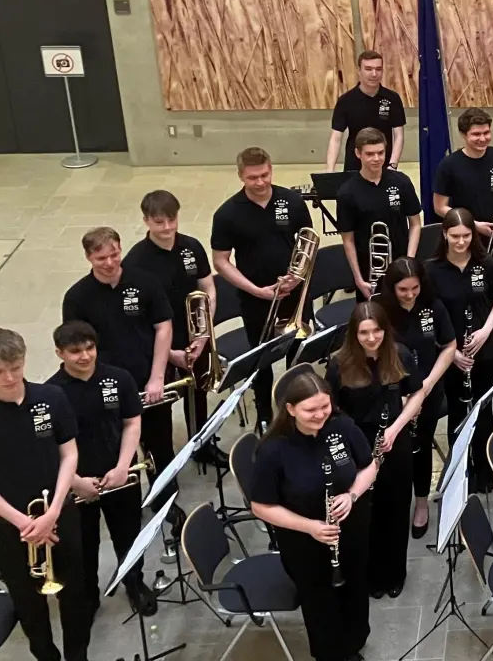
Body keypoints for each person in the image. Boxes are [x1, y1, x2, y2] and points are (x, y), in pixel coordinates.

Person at [0, 329, 96, 661]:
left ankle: (78, 659)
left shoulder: (51, 398)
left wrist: (55, 511)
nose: (9, 378)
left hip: (59, 513)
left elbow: (69, 456)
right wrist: (24, 523)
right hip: (15, 526)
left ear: (25, 360)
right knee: (28, 601)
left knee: (74, 594)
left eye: (15, 368)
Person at [247, 371, 379, 661]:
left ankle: (352, 649)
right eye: (310, 410)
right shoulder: (273, 450)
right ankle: (326, 655)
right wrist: (310, 527)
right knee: (316, 595)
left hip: (351, 527)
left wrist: (352, 495)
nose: (320, 415)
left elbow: (370, 465)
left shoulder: (342, 427)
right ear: (290, 409)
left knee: (355, 586)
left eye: (324, 406)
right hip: (303, 539)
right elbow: (261, 506)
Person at [46, 320, 157, 616]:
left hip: (119, 475)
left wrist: (123, 466)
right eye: (74, 351)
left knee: (129, 533)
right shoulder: (50, 395)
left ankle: (134, 582)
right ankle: (88, 594)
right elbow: (51, 448)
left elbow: (132, 423)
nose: (84, 356)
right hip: (78, 483)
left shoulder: (118, 378)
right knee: (84, 543)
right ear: (60, 353)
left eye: (89, 348)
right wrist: (76, 481)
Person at [62, 227, 177, 496]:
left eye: (115, 254)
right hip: (106, 387)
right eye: (102, 258)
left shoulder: (145, 282)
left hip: (147, 380)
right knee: (115, 448)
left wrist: (157, 377)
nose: (111, 263)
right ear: (88, 257)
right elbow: (76, 348)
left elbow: (163, 327)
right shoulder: (77, 297)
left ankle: (167, 499)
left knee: (161, 444)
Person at [326, 302, 428, 598]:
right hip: (356, 445)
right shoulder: (339, 364)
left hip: (392, 441)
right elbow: (332, 410)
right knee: (365, 513)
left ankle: (395, 573)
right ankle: (370, 574)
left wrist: (396, 428)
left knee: (395, 508)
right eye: (364, 333)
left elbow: (417, 391)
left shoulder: (400, 354)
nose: (372, 338)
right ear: (354, 334)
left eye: (377, 331)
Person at [210, 147, 315, 420]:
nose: (260, 182)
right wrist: (255, 290)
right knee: (262, 359)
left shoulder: (291, 200)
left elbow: (308, 243)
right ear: (241, 176)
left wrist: (297, 277)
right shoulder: (228, 213)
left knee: (299, 353)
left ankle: (300, 408)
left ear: (271, 170)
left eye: (264, 175)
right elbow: (220, 261)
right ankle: (266, 414)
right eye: (252, 177)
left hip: (294, 293)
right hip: (256, 297)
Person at [122, 189, 217, 440]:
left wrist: (204, 335)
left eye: (172, 220)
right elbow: (135, 321)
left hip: (194, 336)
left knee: (198, 394)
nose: (167, 227)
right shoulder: (135, 263)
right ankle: (164, 459)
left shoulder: (191, 246)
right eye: (159, 222)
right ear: (146, 221)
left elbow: (207, 288)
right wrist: (168, 353)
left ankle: (202, 444)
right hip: (159, 344)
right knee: (160, 407)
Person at [373, 257, 457, 539]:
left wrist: (426, 386)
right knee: (391, 453)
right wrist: (404, 396)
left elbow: (449, 346)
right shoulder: (380, 311)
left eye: (414, 288)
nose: (410, 295)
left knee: (420, 448)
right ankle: (393, 505)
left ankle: (421, 503)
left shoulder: (433, 306)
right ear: (391, 288)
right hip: (389, 395)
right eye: (403, 290)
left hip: (428, 390)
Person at [428, 209, 493, 492]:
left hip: (482, 350)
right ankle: (460, 475)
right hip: (452, 353)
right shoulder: (432, 270)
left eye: (466, 236)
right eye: (455, 237)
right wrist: (450, 351)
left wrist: (485, 331)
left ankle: (486, 472)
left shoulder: (485, 263)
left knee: (483, 411)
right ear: (445, 236)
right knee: (458, 414)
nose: (461, 242)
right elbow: (430, 316)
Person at [337, 128, 423, 299]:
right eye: (370, 154)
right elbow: (348, 240)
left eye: (381, 153)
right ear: (357, 153)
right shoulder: (347, 192)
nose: (376, 159)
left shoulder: (401, 182)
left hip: (401, 264)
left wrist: (409, 261)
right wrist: (358, 280)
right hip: (369, 271)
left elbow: (415, 224)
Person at [432, 108, 493, 253]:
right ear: (463, 134)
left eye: (486, 133)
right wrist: (473, 225)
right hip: (466, 236)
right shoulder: (448, 165)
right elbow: (439, 207)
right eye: (476, 134)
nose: (483, 139)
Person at [328, 49, 405, 171]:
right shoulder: (346, 100)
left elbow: (399, 135)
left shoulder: (392, 98)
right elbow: (336, 137)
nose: (374, 74)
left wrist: (393, 164)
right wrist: (330, 169)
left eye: (378, 69)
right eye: (368, 69)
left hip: (383, 164)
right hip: (354, 166)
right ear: (359, 71)